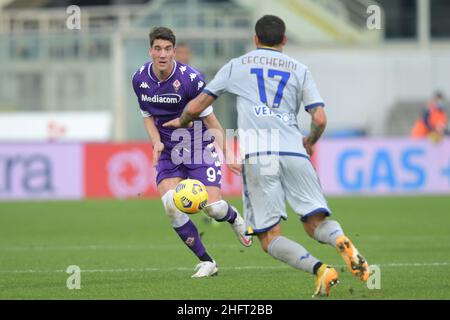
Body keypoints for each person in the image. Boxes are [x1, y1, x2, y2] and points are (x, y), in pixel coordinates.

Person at [164, 15, 369, 296]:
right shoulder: (300, 69)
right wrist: (310, 141)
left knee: (269, 237)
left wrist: (184, 120)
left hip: (261, 153)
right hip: (295, 151)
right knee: (314, 223)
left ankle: (321, 270)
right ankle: (340, 240)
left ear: (255, 39)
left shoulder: (238, 65)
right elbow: (319, 118)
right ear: (284, 40)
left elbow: (199, 104)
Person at [131, 27, 252, 278]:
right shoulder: (139, 78)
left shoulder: (192, 79)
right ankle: (207, 261)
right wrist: (156, 142)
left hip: (198, 148)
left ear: (174, 52)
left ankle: (234, 218)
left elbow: (212, 122)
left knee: (213, 209)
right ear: (150, 50)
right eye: (157, 48)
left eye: (167, 49)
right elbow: (147, 116)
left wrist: (229, 153)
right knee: (170, 206)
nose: (162, 54)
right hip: (168, 152)